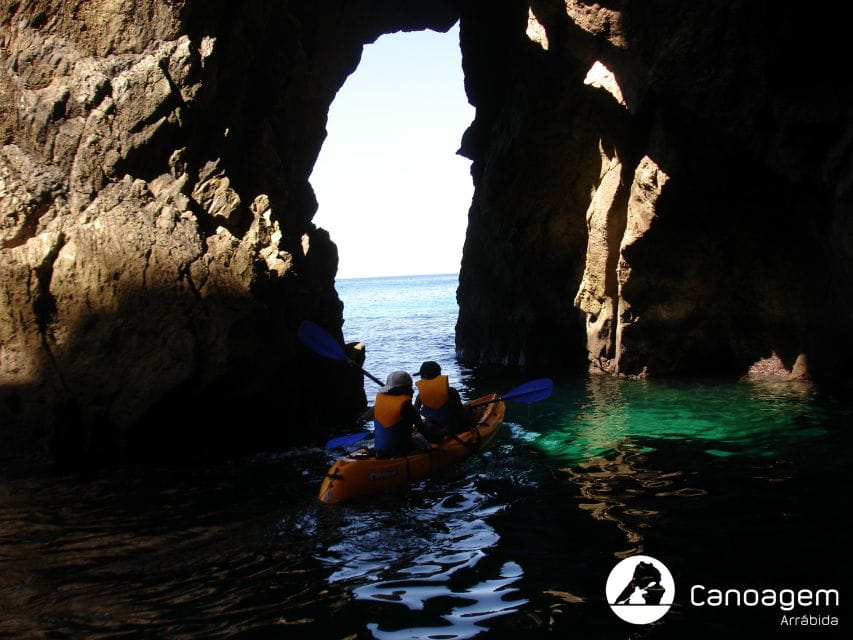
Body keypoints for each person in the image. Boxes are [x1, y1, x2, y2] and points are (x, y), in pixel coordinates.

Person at [364, 371, 433, 458]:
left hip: (380, 451)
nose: (411, 390)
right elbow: (429, 436)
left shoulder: (377, 405)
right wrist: (443, 434)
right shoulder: (410, 408)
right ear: (406, 389)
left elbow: (365, 418)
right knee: (422, 438)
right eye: (410, 388)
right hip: (402, 452)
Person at [414, 361, 471, 437]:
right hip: (452, 429)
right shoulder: (451, 391)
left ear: (424, 376)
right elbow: (461, 412)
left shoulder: (420, 396)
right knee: (467, 408)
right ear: (439, 374)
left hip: (434, 430)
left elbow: (415, 414)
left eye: (421, 375)